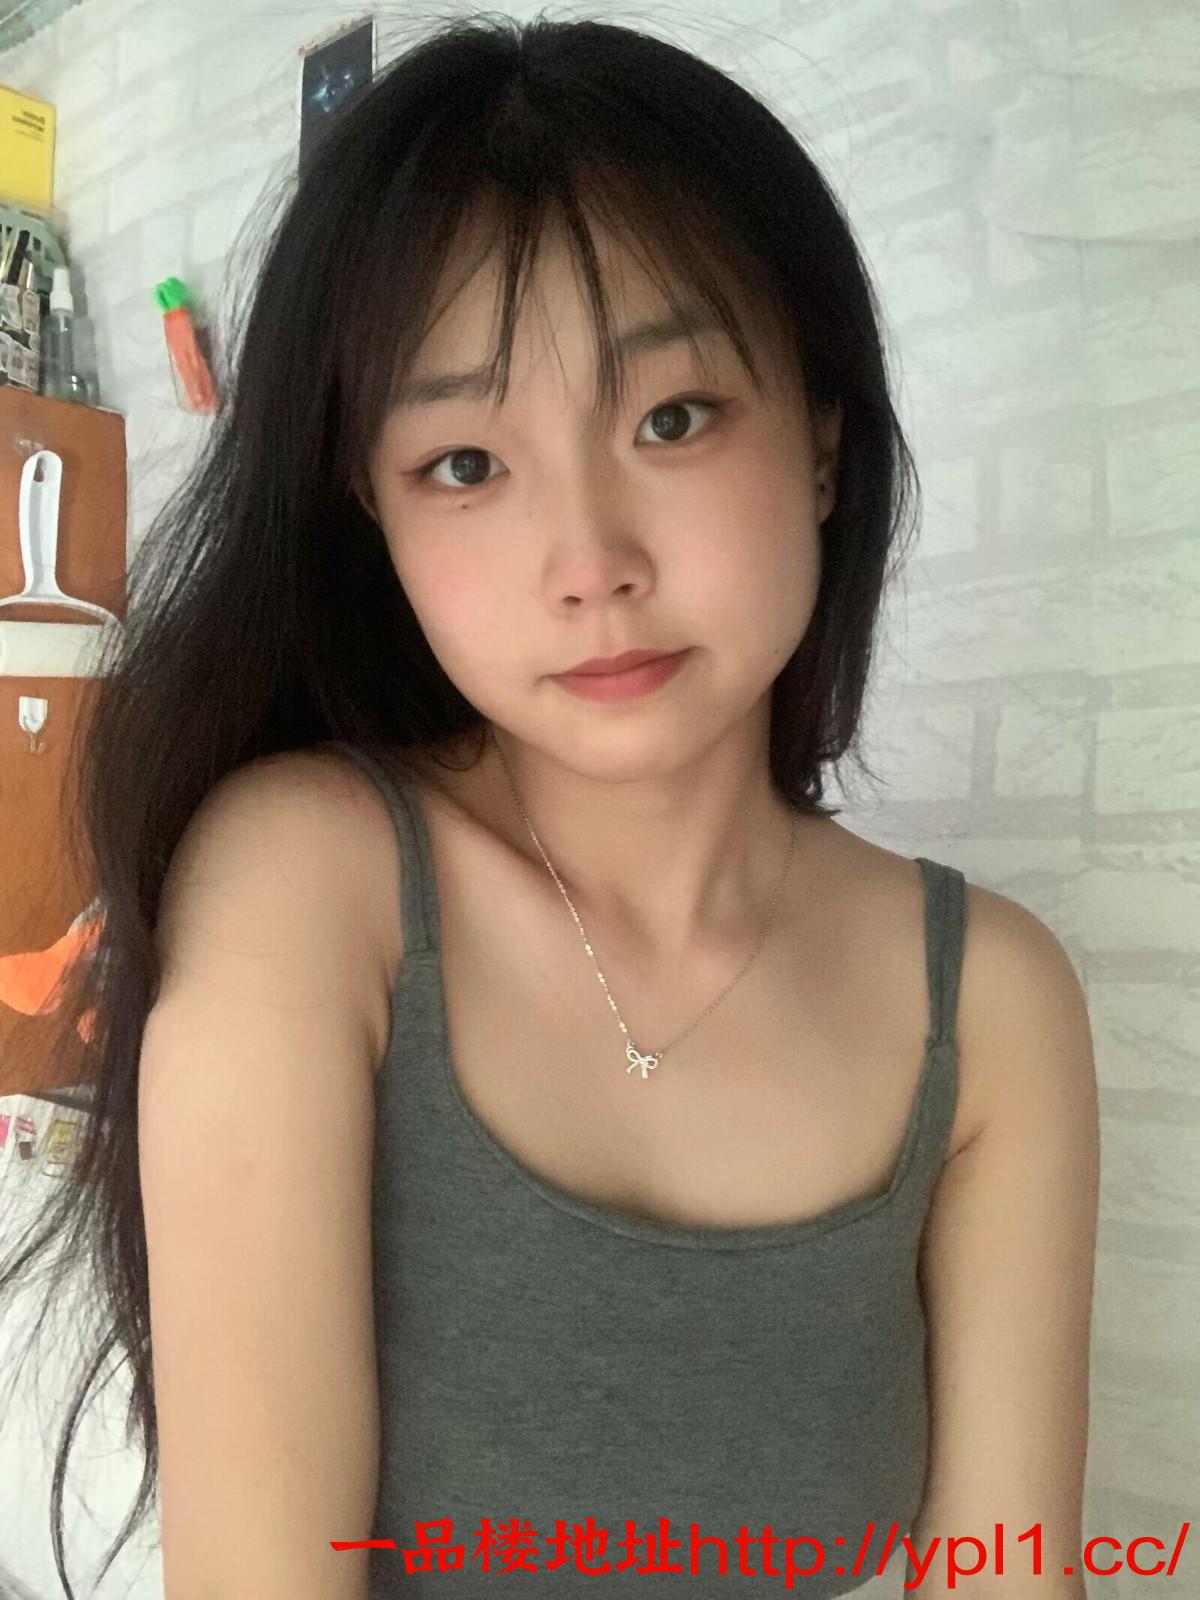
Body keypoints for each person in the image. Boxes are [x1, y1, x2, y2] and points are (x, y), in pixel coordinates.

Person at [0, 13, 1099, 1600]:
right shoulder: (313, 888)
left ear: (821, 441)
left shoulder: (990, 1003)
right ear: (372, 517)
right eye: (463, 462)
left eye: (672, 418)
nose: (590, 562)